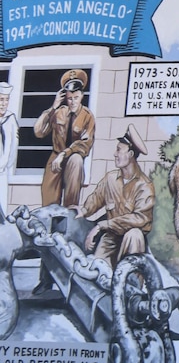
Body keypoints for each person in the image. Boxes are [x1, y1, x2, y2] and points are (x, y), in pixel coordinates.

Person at [80, 130, 153, 264]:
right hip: (111, 237)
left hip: (131, 240)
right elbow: (96, 198)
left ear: (130, 154)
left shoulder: (144, 186)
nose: (115, 154)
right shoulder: (111, 178)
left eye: (119, 150)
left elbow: (140, 218)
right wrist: (83, 211)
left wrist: (102, 225)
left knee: (134, 235)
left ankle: (133, 281)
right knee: (97, 271)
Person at [34, 69, 94, 208]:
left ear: (82, 96)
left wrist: (64, 154)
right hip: (56, 156)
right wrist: (53, 107)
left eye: (76, 98)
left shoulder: (87, 116)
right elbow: (39, 132)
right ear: (65, 97)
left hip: (72, 157)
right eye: (69, 98)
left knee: (76, 160)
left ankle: (70, 210)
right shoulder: (59, 112)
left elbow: (85, 144)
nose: (73, 102)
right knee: (48, 202)